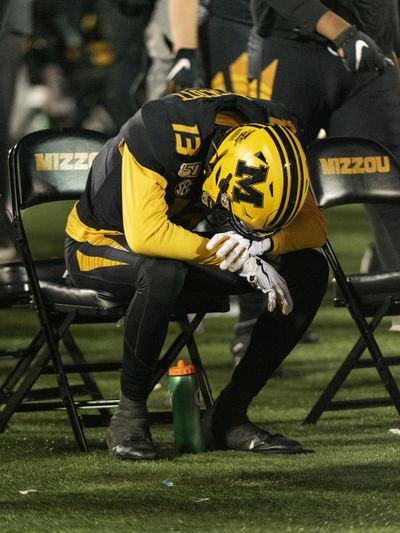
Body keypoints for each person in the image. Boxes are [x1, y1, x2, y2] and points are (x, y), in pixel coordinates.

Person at [64, 88, 329, 460]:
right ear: (216, 170)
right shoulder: (163, 130)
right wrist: (232, 258)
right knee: (160, 271)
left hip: (180, 246)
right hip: (100, 244)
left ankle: (229, 415)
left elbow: (315, 226)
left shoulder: (270, 137)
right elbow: (147, 236)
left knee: (310, 268)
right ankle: (128, 416)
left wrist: (260, 247)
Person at [249, 0, 400, 276]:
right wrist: (342, 32)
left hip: (372, 53)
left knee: (393, 190)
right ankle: (255, 316)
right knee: (263, 194)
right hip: (290, 52)